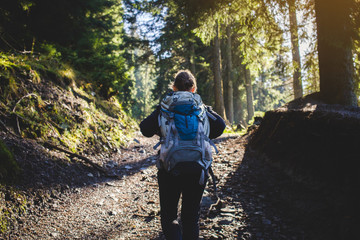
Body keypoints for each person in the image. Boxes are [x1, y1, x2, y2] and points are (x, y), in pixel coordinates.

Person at [140, 70, 225, 240]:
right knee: (190, 217)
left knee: (169, 216)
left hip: (170, 170)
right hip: (198, 169)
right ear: (193, 88)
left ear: (174, 87)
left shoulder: (165, 107)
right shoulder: (201, 108)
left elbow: (145, 129)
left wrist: (162, 125)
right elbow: (220, 126)